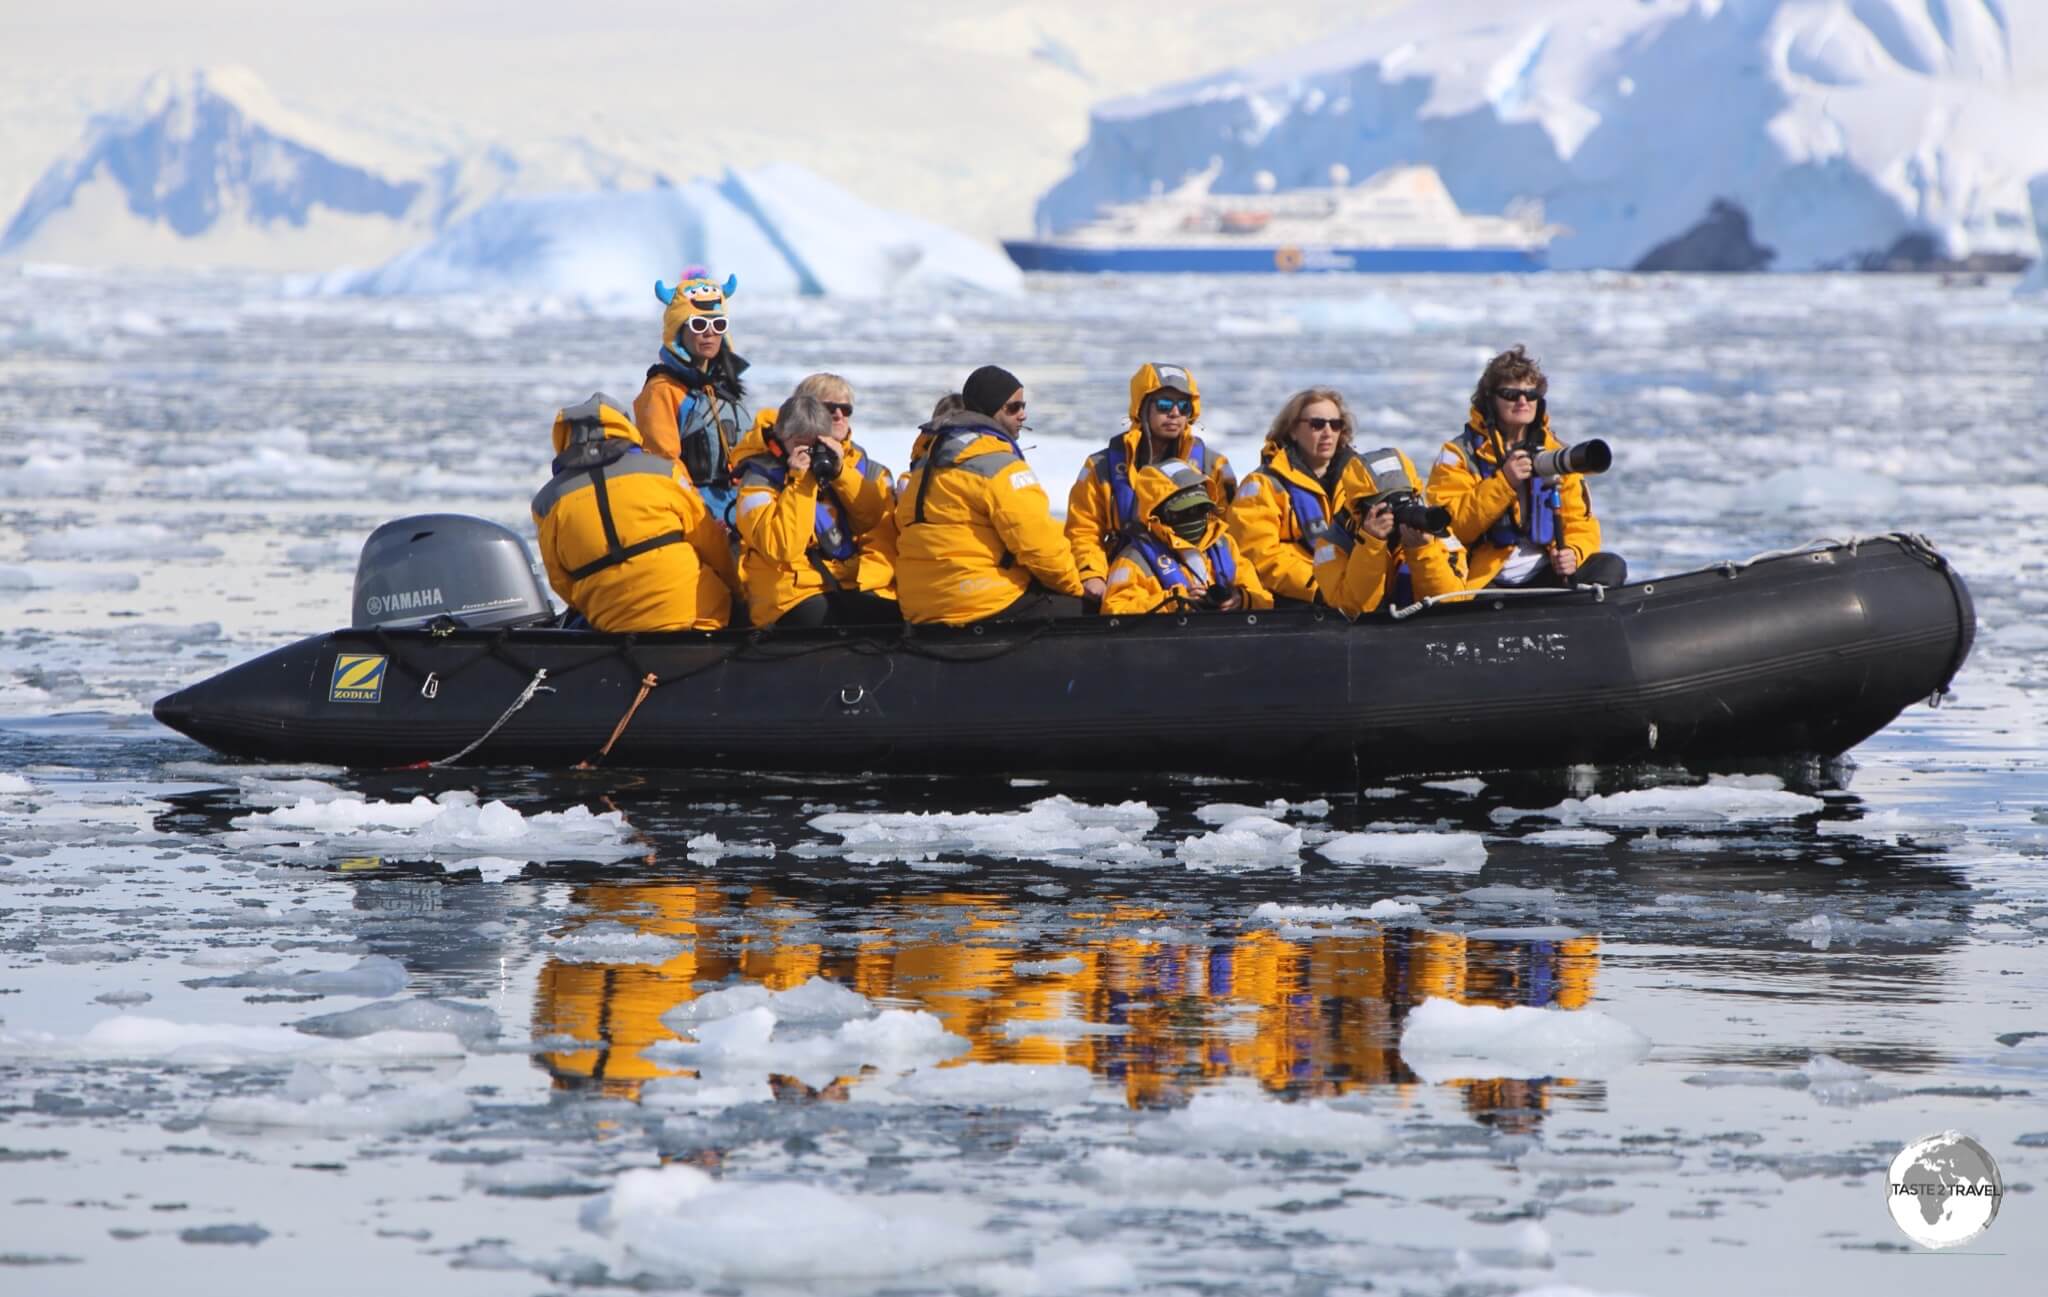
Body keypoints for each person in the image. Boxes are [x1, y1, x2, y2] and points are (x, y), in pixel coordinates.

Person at [531, 394, 741, 632]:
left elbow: (560, 580)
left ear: (564, 438)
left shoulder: (547, 502)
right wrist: (738, 590)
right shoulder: (663, 471)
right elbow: (710, 541)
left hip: (613, 624)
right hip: (698, 617)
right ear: (624, 427)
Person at [894, 365, 1086, 624]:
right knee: (1088, 612)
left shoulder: (925, 464)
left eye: (1023, 405)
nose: (1023, 415)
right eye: (1013, 407)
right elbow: (1039, 546)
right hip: (979, 601)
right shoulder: (998, 466)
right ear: (990, 410)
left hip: (921, 606)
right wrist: (1078, 588)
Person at [1427, 346, 1625, 589]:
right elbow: (1454, 529)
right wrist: (1504, 483)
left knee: (1611, 566)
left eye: (1531, 395)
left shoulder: (1554, 452)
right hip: (1484, 578)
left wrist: (1573, 552)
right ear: (1490, 400)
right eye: (1511, 394)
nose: (1523, 401)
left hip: (1545, 572)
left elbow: (1579, 522)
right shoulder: (1458, 455)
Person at [1067, 363, 1236, 609]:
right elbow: (1083, 529)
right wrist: (1092, 575)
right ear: (1142, 407)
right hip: (1131, 578)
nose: (1175, 413)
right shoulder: (1102, 467)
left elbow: (1228, 532)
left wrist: (1233, 590)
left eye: (1184, 406)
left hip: (1199, 580)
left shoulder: (1213, 466)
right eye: (1165, 405)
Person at [730, 388, 901, 628]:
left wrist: (842, 473)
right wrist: (800, 481)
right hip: (786, 596)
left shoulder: (827, 472)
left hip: (832, 582)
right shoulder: (758, 481)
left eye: (816, 445)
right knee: (835, 623)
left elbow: (871, 518)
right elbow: (782, 548)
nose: (810, 453)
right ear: (781, 437)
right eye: (801, 445)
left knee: (894, 619)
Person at [1226, 387, 1373, 608]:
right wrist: (1323, 588)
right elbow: (1258, 556)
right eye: (1317, 424)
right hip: (1300, 601)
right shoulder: (1262, 486)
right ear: (1292, 430)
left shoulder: (1363, 479)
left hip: (1359, 590)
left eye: (1335, 425)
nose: (1327, 433)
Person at [631, 269, 750, 527]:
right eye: (698, 325)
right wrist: (701, 519)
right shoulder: (662, 391)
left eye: (718, 324)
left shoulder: (724, 386)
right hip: (698, 520)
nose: (709, 333)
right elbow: (664, 467)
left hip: (739, 510)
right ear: (678, 331)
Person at [1308, 447, 1464, 618]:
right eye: (1387, 505)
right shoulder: (1332, 545)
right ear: (1360, 509)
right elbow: (1350, 610)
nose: (1397, 514)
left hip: (1425, 636)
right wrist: (1371, 545)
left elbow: (1452, 608)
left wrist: (1423, 552)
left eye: (1406, 500)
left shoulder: (1436, 533)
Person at [1100, 460, 1270, 616]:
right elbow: (1114, 611)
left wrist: (1242, 599)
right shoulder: (1134, 560)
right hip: (1167, 646)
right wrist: (1174, 601)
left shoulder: (1226, 546)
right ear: (1158, 514)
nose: (1195, 517)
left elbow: (1265, 600)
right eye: (1184, 511)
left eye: (1201, 508)